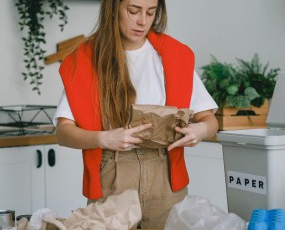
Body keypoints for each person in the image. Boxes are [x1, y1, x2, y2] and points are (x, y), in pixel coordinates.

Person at [53, 0, 219, 228]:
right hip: (112, 173)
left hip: (166, 175)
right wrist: (104, 138)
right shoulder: (85, 59)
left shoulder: (175, 55)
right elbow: (63, 133)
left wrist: (200, 131)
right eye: (133, 11)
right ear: (114, 8)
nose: (142, 21)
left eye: (151, 12)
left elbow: (210, 121)